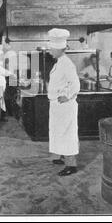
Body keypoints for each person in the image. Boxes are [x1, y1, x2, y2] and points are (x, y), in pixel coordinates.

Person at [47, 28, 80, 176]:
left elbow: (75, 84)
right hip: (57, 106)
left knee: (67, 134)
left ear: (60, 49)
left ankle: (71, 165)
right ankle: (60, 156)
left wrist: (67, 96)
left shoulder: (66, 63)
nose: (50, 51)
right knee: (58, 132)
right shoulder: (59, 62)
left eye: (52, 49)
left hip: (65, 106)